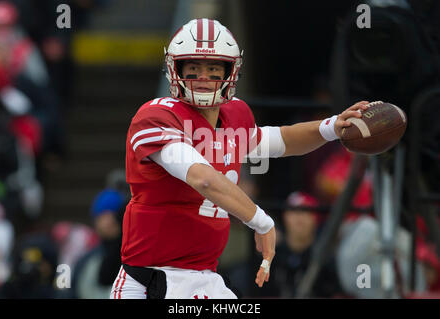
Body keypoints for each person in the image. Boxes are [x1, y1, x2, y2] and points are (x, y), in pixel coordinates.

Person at [111, 18, 371, 299]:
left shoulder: (235, 114)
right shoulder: (156, 116)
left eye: (213, 68)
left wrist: (333, 126)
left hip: (206, 279)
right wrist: (262, 221)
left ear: (230, 72)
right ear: (175, 69)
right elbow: (203, 178)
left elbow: (281, 140)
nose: (203, 77)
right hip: (153, 279)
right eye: (194, 68)